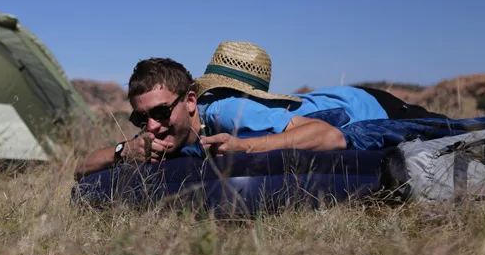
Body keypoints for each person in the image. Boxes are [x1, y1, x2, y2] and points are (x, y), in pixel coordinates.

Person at [73, 41, 448, 180]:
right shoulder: (160, 128)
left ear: (190, 102)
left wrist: (246, 147)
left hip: (369, 106)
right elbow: (80, 167)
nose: (151, 127)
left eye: (158, 114)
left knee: (446, 127)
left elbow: (330, 136)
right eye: (141, 119)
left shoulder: (230, 110)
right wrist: (123, 151)